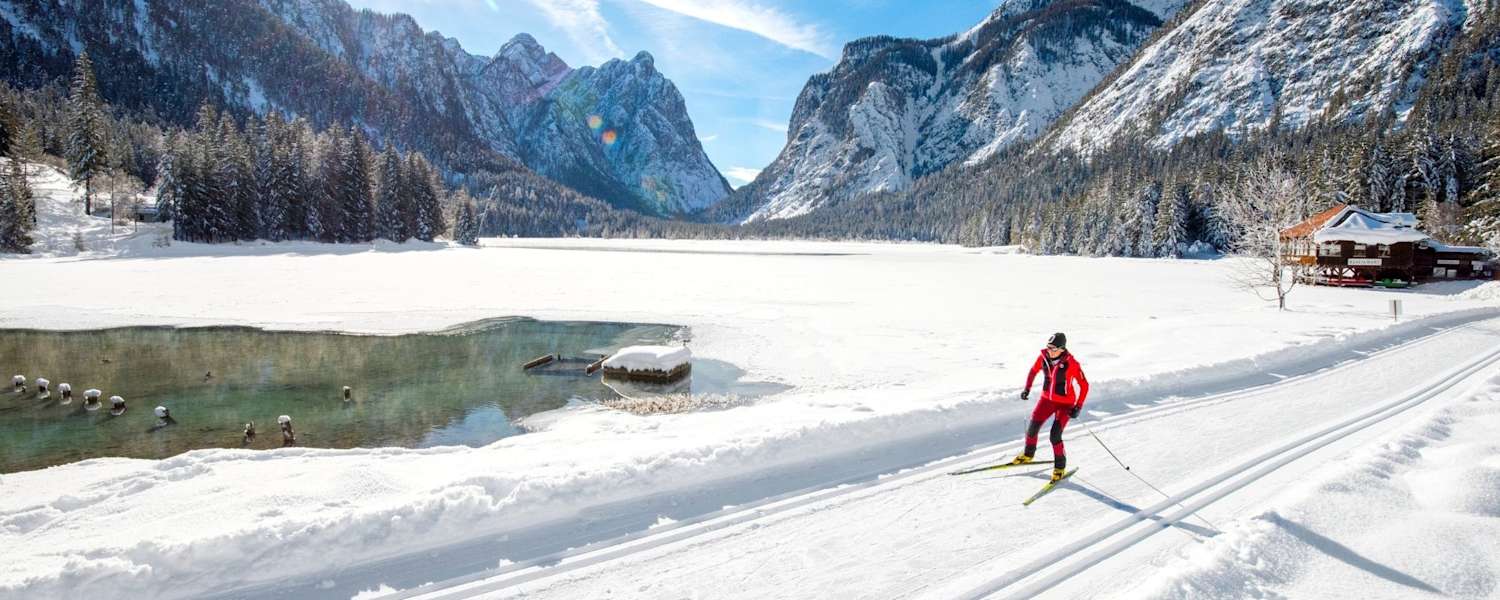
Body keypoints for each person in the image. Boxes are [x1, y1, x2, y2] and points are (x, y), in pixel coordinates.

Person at [1009, 333, 1089, 482]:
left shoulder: (1072, 363)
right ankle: (1028, 455)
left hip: (1065, 404)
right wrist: (1027, 389)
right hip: (1046, 400)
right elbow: (1033, 371)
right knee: (1032, 427)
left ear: (1062, 349)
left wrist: (1078, 406)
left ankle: (1059, 468)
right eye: (1048, 347)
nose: (1049, 351)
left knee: (1055, 435)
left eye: (1053, 348)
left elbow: (1084, 385)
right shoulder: (1043, 357)